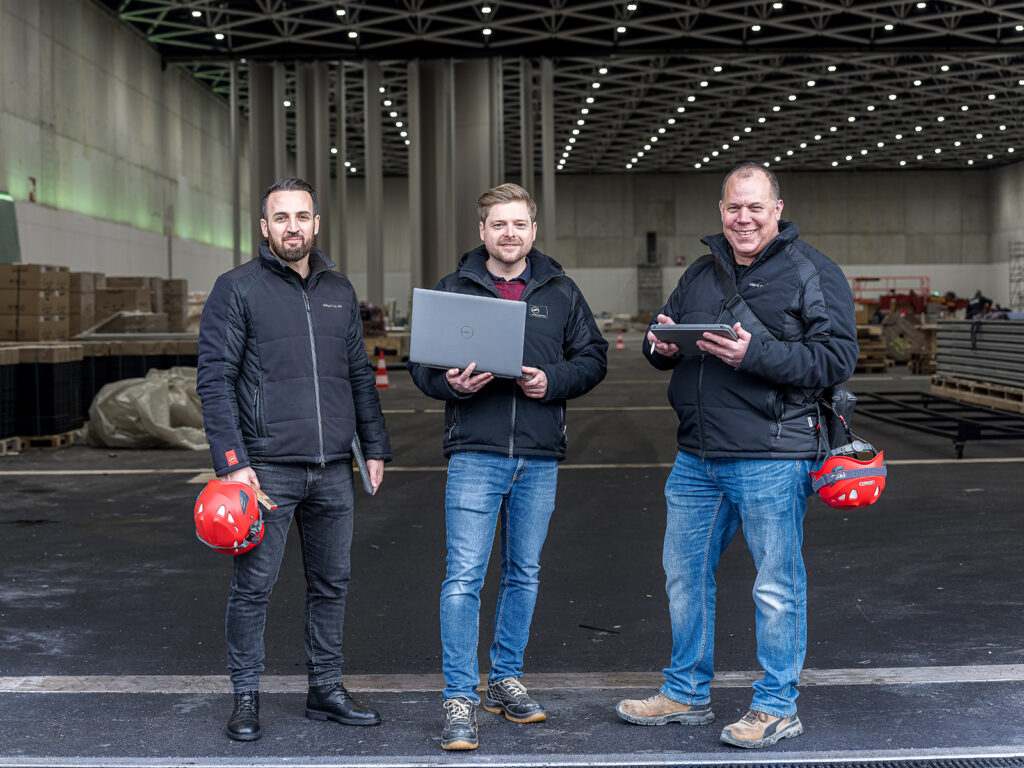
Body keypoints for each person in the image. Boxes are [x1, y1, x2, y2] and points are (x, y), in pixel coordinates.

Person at [616, 163, 858, 749]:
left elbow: (835, 360)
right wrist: (658, 344)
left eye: (754, 207)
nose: (742, 218)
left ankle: (777, 705)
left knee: (775, 584)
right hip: (697, 455)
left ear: (777, 209)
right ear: (720, 211)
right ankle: (685, 693)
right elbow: (669, 336)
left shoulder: (812, 272)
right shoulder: (701, 271)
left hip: (771, 454)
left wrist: (755, 353)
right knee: (684, 576)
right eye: (732, 208)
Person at [409, 183, 608, 751]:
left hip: (539, 455)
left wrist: (554, 382)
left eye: (519, 224)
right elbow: (421, 366)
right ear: (482, 231)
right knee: (464, 578)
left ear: (533, 230)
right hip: (475, 450)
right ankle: (458, 697)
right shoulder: (454, 289)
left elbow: (592, 358)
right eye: (499, 224)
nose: (509, 233)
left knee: (524, 573)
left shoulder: (562, 292)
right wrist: (448, 383)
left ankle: (504, 679)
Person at [197, 177, 391, 742]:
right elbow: (215, 379)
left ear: (316, 223)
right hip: (266, 470)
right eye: (280, 218)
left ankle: (325, 691)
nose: (292, 227)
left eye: (301, 216)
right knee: (254, 587)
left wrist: (374, 446)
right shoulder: (236, 288)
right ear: (264, 227)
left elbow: (358, 374)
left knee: (332, 583)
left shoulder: (339, 290)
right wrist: (232, 461)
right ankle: (246, 696)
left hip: (333, 467)